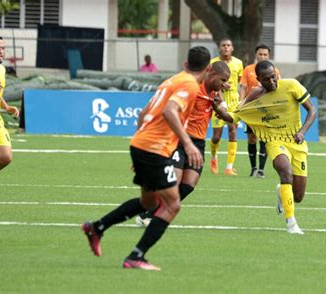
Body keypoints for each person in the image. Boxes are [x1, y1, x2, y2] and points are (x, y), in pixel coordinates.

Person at [81, 46, 211, 271]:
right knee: (172, 205)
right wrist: (188, 144)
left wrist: (139, 148)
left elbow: (143, 114)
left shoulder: (171, 81)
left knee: (149, 203)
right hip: (154, 149)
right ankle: (136, 256)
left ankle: (97, 227)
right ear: (208, 69)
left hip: (142, 145)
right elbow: (170, 111)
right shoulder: (190, 85)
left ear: (185, 64)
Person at [213, 60, 317, 235]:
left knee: (298, 196)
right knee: (285, 170)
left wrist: (302, 132)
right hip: (274, 141)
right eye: (267, 79)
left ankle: (281, 192)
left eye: (273, 77)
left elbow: (312, 110)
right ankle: (291, 224)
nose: (272, 82)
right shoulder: (255, 95)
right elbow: (234, 117)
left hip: (296, 141)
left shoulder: (291, 85)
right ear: (258, 79)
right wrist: (218, 109)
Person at [135, 61, 231, 226]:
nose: (225, 84)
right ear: (212, 74)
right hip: (181, 139)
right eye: (223, 80)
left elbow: (225, 112)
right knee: (174, 180)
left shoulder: (215, 91)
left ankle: (151, 210)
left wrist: (221, 108)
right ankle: (149, 213)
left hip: (198, 143)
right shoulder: (193, 88)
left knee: (188, 185)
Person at [239, 44, 281, 178]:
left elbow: (278, 89)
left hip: (267, 110)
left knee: (264, 138)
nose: (262, 56)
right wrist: (241, 104)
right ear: (256, 55)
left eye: (265, 55)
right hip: (252, 109)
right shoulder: (248, 69)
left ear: (268, 56)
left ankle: (261, 170)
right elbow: (244, 88)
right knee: (251, 139)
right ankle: (253, 168)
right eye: (260, 54)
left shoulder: (274, 70)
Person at [209, 38, 243, 176]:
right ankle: (213, 157)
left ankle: (229, 167)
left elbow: (238, 81)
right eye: (223, 45)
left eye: (228, 45)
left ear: (232, 48)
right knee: (216, 136)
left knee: (233, 132)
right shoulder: (213, 63)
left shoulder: (239, 63)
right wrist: (221, 86)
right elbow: (210, 81)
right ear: (219, 48)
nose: (226, 47)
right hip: (218, 99)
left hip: (234, 101)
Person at [0, 35, 19, 172]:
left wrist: (7, 107)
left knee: (5, 157)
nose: (1, 51)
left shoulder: (2, 70)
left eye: (2, 48)